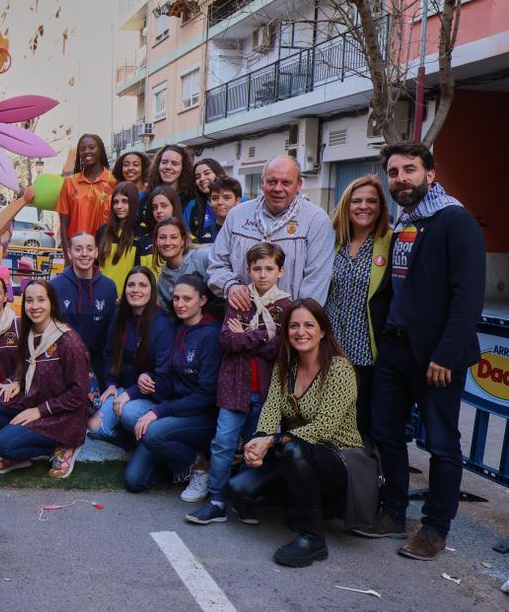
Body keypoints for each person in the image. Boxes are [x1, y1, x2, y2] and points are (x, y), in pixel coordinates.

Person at [358, 143, 485, 560]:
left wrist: (446, 356)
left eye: (409, 170)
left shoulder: (455, 220)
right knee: (387, 434)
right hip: (394, 350)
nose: (400, 180)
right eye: (393, 173)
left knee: (442, 444)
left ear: (430, 173)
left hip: (437, 359)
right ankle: (394, 513)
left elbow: (467, 298)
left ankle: (434, 529)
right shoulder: (404, 223)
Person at [227, 300, 376, 568]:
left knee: (294, 450)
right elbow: (270, 412)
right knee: (239, 487)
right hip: (299, 452)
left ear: (322, 331)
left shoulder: (339, 369)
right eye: (294, 325)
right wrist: (258, 443)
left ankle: (313, 538)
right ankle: (305, 503)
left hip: (342, 459)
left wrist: (271, 441)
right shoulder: (285, 367)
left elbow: (323, 428)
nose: (301, 331)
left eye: (309, 325)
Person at [187, 242, 292, 525]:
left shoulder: (285, 306)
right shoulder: (239, 300)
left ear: (280, 271)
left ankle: (246, 498)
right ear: (248, 270)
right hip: (235, 386)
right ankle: (217, 499)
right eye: (256, 268)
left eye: (269, 268)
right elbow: (228, 341)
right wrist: (262, 336)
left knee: (256, 446)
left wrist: (248, 334)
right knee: (222, 443)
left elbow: (279, 349)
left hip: (267, 389)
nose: (262, 274)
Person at [113, 275, 222, 494]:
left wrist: (158, 411)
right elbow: (164, 373)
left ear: (202, 301)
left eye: (187, 299)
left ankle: (199, 464)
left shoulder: (211, 335)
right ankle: (176, 465)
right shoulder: (177, 328)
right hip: (173, 410)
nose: (180, 304)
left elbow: (206, 395)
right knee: (134, 481)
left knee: (153, 432)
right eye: (176, 298)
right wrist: (146, 377)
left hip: (200, 415)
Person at [0, 279, 90, 479]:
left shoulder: (69, 341)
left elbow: (78, 395)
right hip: (33, 400)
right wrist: (16, 382)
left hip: (61, 416)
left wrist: (39, 411)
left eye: (41, 300)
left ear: (52, 303)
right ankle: (21, 445)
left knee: (1, 445)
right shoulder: (29, 333)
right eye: (29, 300)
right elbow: (26, 367)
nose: (35, 306)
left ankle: (63, 446)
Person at [208, 155, 334, 307]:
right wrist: (230, 286)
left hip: (290, 323)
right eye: (272, 181)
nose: (278, 188)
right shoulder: (237, 215)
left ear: (299, 185)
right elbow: (216, 264)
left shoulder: (316, 220)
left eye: (286, 182)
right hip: (240, 323)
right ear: (262, 183)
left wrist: (295, 320)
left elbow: (317, 281)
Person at [324, 175, 391, 437]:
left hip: (366, 354)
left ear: (381, 206)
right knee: (325, 420)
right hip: (329, 350)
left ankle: (359, 476)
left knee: (359, 425)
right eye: (357, 201)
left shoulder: (390, 242)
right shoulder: (331, 241)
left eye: (371, 201)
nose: (364, 206)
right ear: (346, 205)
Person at [87, 267, 174, 443]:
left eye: (143, 285)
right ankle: (131, 441)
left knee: (128, 413)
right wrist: (111, 384)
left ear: (152, 290)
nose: (136, 290)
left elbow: (164, 376)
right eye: (131, 285)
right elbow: (110, 355)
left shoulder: (162, 324)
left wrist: (131, 393)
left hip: (152, 396)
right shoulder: (120, 316)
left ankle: (150, 436)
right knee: (95, 428)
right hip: (123, 388)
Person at [49, 232, 117, 392]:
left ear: (96, 252)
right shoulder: (55, 286)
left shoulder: (108, 287)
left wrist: (109, 379)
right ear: (69, 253)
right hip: (62, 364)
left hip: (96, 366)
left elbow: (110, 338)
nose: (85, 254)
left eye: (89, 248)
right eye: (78, 249)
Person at [57, 133, 114, 252]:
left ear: (101, 150)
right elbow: (63, 227)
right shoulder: (69, 183)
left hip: (104, 253)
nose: (87, 151)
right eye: (82, 149)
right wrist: (68, 258)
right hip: (76, 254)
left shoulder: (114, 181)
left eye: (92, 147)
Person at [148, 219, 212, 310]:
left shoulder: (202, 257)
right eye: (162, 237)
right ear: (156, 242)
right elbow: (168, 317)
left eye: (174, 237)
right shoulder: (162, 282)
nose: (167, 243)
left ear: (183, 240)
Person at [96, 182, 144, 292]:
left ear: (134, 203)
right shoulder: (103, 231)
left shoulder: (142, 232)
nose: (119, 206)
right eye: (116, 202)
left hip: (128, 296)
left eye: (125, 201)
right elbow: (95, 266)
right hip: (102, 293)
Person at [185, 158, 227, 244]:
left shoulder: (242, 201)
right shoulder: (192, 206)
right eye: (197, 176)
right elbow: (185, 236)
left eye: (207, 173)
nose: (202, 179)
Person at [138, 186, 182, 259]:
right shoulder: (143, 241)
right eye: (155, 207)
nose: (158, 211)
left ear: (174, 207)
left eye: (164, 206)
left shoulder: (188, 239)